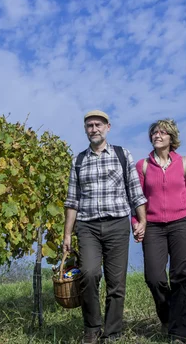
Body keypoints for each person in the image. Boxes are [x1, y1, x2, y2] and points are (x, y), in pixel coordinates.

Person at [63, 110, 148, 344]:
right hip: (87, 227)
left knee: (116, 282)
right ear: (85, 129)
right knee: (89, 274)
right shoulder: (78, 161)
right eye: (89, 125)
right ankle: (92, 328)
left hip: (118, 225)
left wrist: (142, 221)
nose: (94, 129)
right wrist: (67, 234)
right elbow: (72, 201)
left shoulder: (122, 155)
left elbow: (135, 192)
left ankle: (112, 333)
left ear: (108, 127)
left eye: (98, 124)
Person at [132, 118, 186, 343]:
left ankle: (178, 333)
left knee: (180, 276)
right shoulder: (143, 166)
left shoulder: (185, 163)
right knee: (154, 277)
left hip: (182, 223)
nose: (157, 135)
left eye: (162, 132)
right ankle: (168, 316)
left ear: (171, 138)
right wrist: (136, 223)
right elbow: (136, 200)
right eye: (154, 133)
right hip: (153, 227)